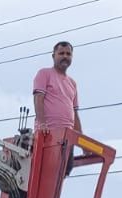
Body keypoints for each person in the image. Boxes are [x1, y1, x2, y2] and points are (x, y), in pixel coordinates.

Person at [32, 41, 82, 176]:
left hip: (67, 137)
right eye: (61, 53)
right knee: (45, 172)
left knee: (65, 170)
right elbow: (38, 98)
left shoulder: (72, 83)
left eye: (68, 54)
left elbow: (75, 113)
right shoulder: (44, 74)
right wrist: (42, 124)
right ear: (53, 56)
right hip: (49, 134)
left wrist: (82, 142)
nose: (65, 56)